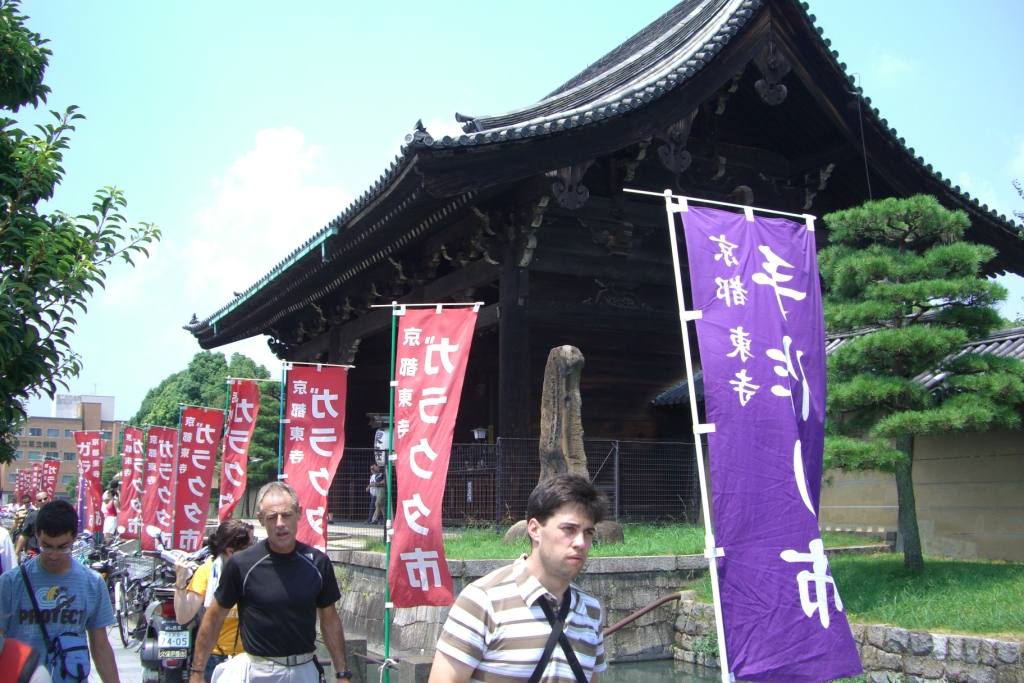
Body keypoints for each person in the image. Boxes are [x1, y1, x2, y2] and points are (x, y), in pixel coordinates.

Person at [429, 474, 609, 683]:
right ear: (534, 529)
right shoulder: (484, 601)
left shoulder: (590, 610)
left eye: (588, 533)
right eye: (569, 529)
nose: (580, 542)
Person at [189, 482, 351, 683]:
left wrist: (342, 674)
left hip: (305, 670)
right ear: (260, 519)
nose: (280, 523)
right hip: (260, 670)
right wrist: (197, 672)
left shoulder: (318, 563)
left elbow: (329, 620)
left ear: (299, 513)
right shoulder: (241, 564)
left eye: (287, 515)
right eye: (272, 517)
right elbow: (214, 618)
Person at [0, 500, 120, 683]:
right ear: (37, 536)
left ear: (74, 538)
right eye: (46, 546)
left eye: (63, 547)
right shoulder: (10, 582)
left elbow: (100, 646)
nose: (53, 555)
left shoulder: (92, 583)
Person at [174, 520, 255, 682]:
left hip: (250, 658)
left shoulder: (254, 571)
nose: (255, 551)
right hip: (215, 658)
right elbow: (183, 616)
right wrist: (180, 582)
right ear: (230, 551)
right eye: (249, 547)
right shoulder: (207, 572)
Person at [14, 491, 50, 561]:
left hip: (53, 553)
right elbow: (24, 535)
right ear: (36, 503)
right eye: (40, 500)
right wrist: (16, 553)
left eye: (45, 499)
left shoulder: (57, 514)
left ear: (49, 499)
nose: (43, 501)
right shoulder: (32, 516)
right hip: (35, 552)